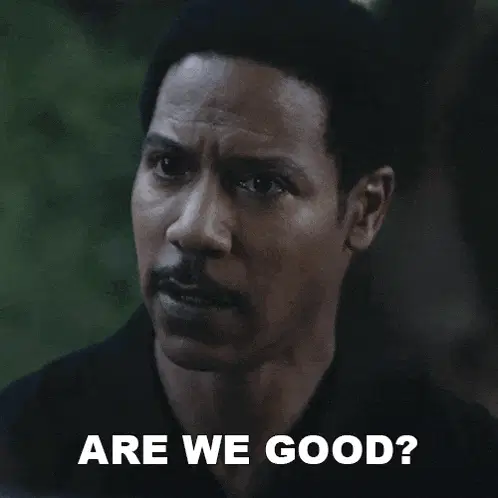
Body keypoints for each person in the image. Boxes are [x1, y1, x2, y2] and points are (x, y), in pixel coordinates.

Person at [1, 0, 497, 497]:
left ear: (364, 210)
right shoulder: (26, 454)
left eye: (261, 183)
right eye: (169, 166)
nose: (194, 229)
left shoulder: (458, 466)